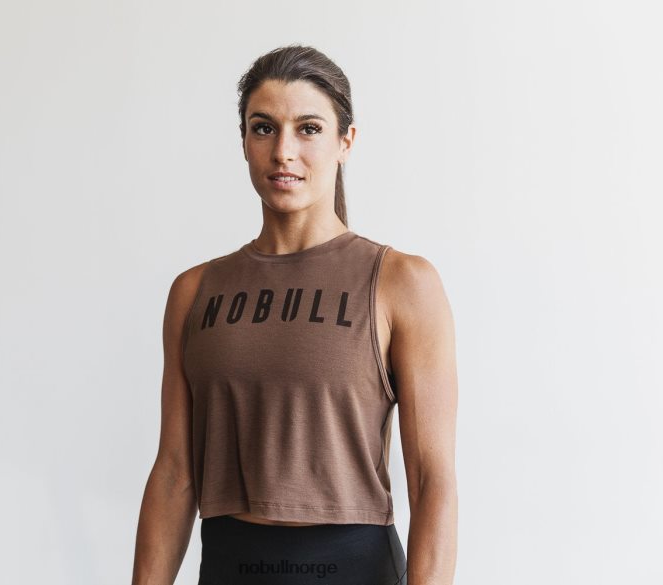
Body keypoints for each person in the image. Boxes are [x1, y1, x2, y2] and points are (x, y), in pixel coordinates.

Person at [131, 45, 458, 585]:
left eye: (308, 129)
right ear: (244, 141)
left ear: (345, 141)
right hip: (229, 568)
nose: (283, 151)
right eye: (263, 128)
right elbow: (173, 475)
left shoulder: (401, 283)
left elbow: (432, 482)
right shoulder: (194, 292)